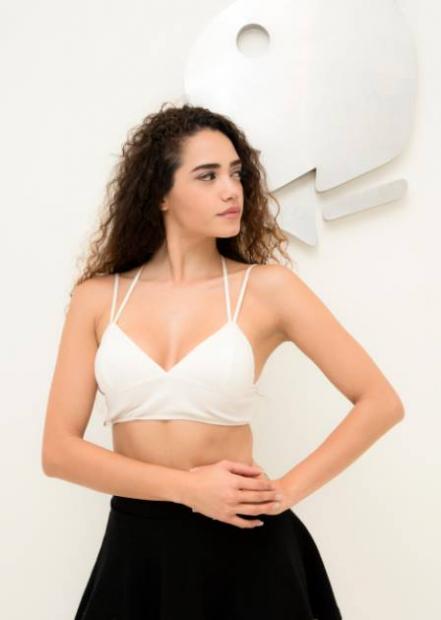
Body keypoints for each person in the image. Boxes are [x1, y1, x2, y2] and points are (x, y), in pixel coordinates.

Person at [41, 102, 405, 619]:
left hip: (247, 548)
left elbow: (380, 402)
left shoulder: (269, 289)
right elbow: (58, 452)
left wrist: (283, 492)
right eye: (208, 176)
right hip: (137, 553)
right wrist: (188, 489)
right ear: (161, 193)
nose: (232, 190)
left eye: (236, 173)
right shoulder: (98, 298)